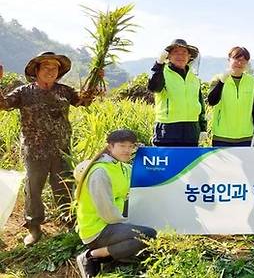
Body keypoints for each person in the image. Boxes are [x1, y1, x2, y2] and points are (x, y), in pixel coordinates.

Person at [0, 52, 100, 245]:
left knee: (64, 185)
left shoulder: (65, 91)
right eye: (46, 67)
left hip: (61, 149)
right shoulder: (24, 92)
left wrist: (95, 79)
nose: (50, 71)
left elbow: (83, 101)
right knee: (34, 188)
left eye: (54, 68)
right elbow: (3, 104)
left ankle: (69, 220)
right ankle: (34, 227)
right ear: (36, 70)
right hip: (34, 149)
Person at [75, 129, 157, 277]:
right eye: (122, 146)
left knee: (145, 228)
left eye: (131, 146)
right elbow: (106, 212)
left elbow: (144, 174)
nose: (127, 150)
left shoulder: (121, 166)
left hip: (111, 223)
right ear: (110, 147)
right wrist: (128, 225)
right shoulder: (100, 172)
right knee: (147, 234)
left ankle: (118, 254)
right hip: (98, 229)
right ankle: (91, 256)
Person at [148, 39, 206, 147]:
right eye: (176, 52)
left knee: (189, 163)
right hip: (167, 129)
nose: (180, 55)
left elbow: (200, 103)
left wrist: (203, 128)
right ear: (168, 56)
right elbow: (154, 87)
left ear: (189, 57)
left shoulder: (193, 78)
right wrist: (158, 64)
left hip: (192, 129)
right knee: (168, 162)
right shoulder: (162, 72)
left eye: (184, 52)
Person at [207, 46, 254, 147]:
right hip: (221, 136)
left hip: (246, 136)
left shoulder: (252, 81)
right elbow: (211, 101)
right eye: (237, 58)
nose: (240, 63)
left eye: (244, 60)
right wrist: (221, 83)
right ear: (229, 60)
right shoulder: (218, 78)